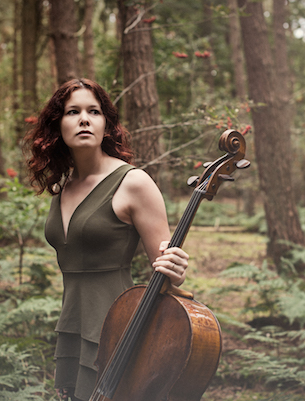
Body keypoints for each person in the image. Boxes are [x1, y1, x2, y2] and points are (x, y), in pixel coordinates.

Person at [23, 78, 189, 401]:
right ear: (58, 126)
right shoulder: (62, 188)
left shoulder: (133, 183)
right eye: (73, 111)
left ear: (105, 124)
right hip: (71, 327)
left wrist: (177, 268)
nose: (84, 119)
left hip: (118, 328)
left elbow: (168, 270)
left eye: (94, 111)